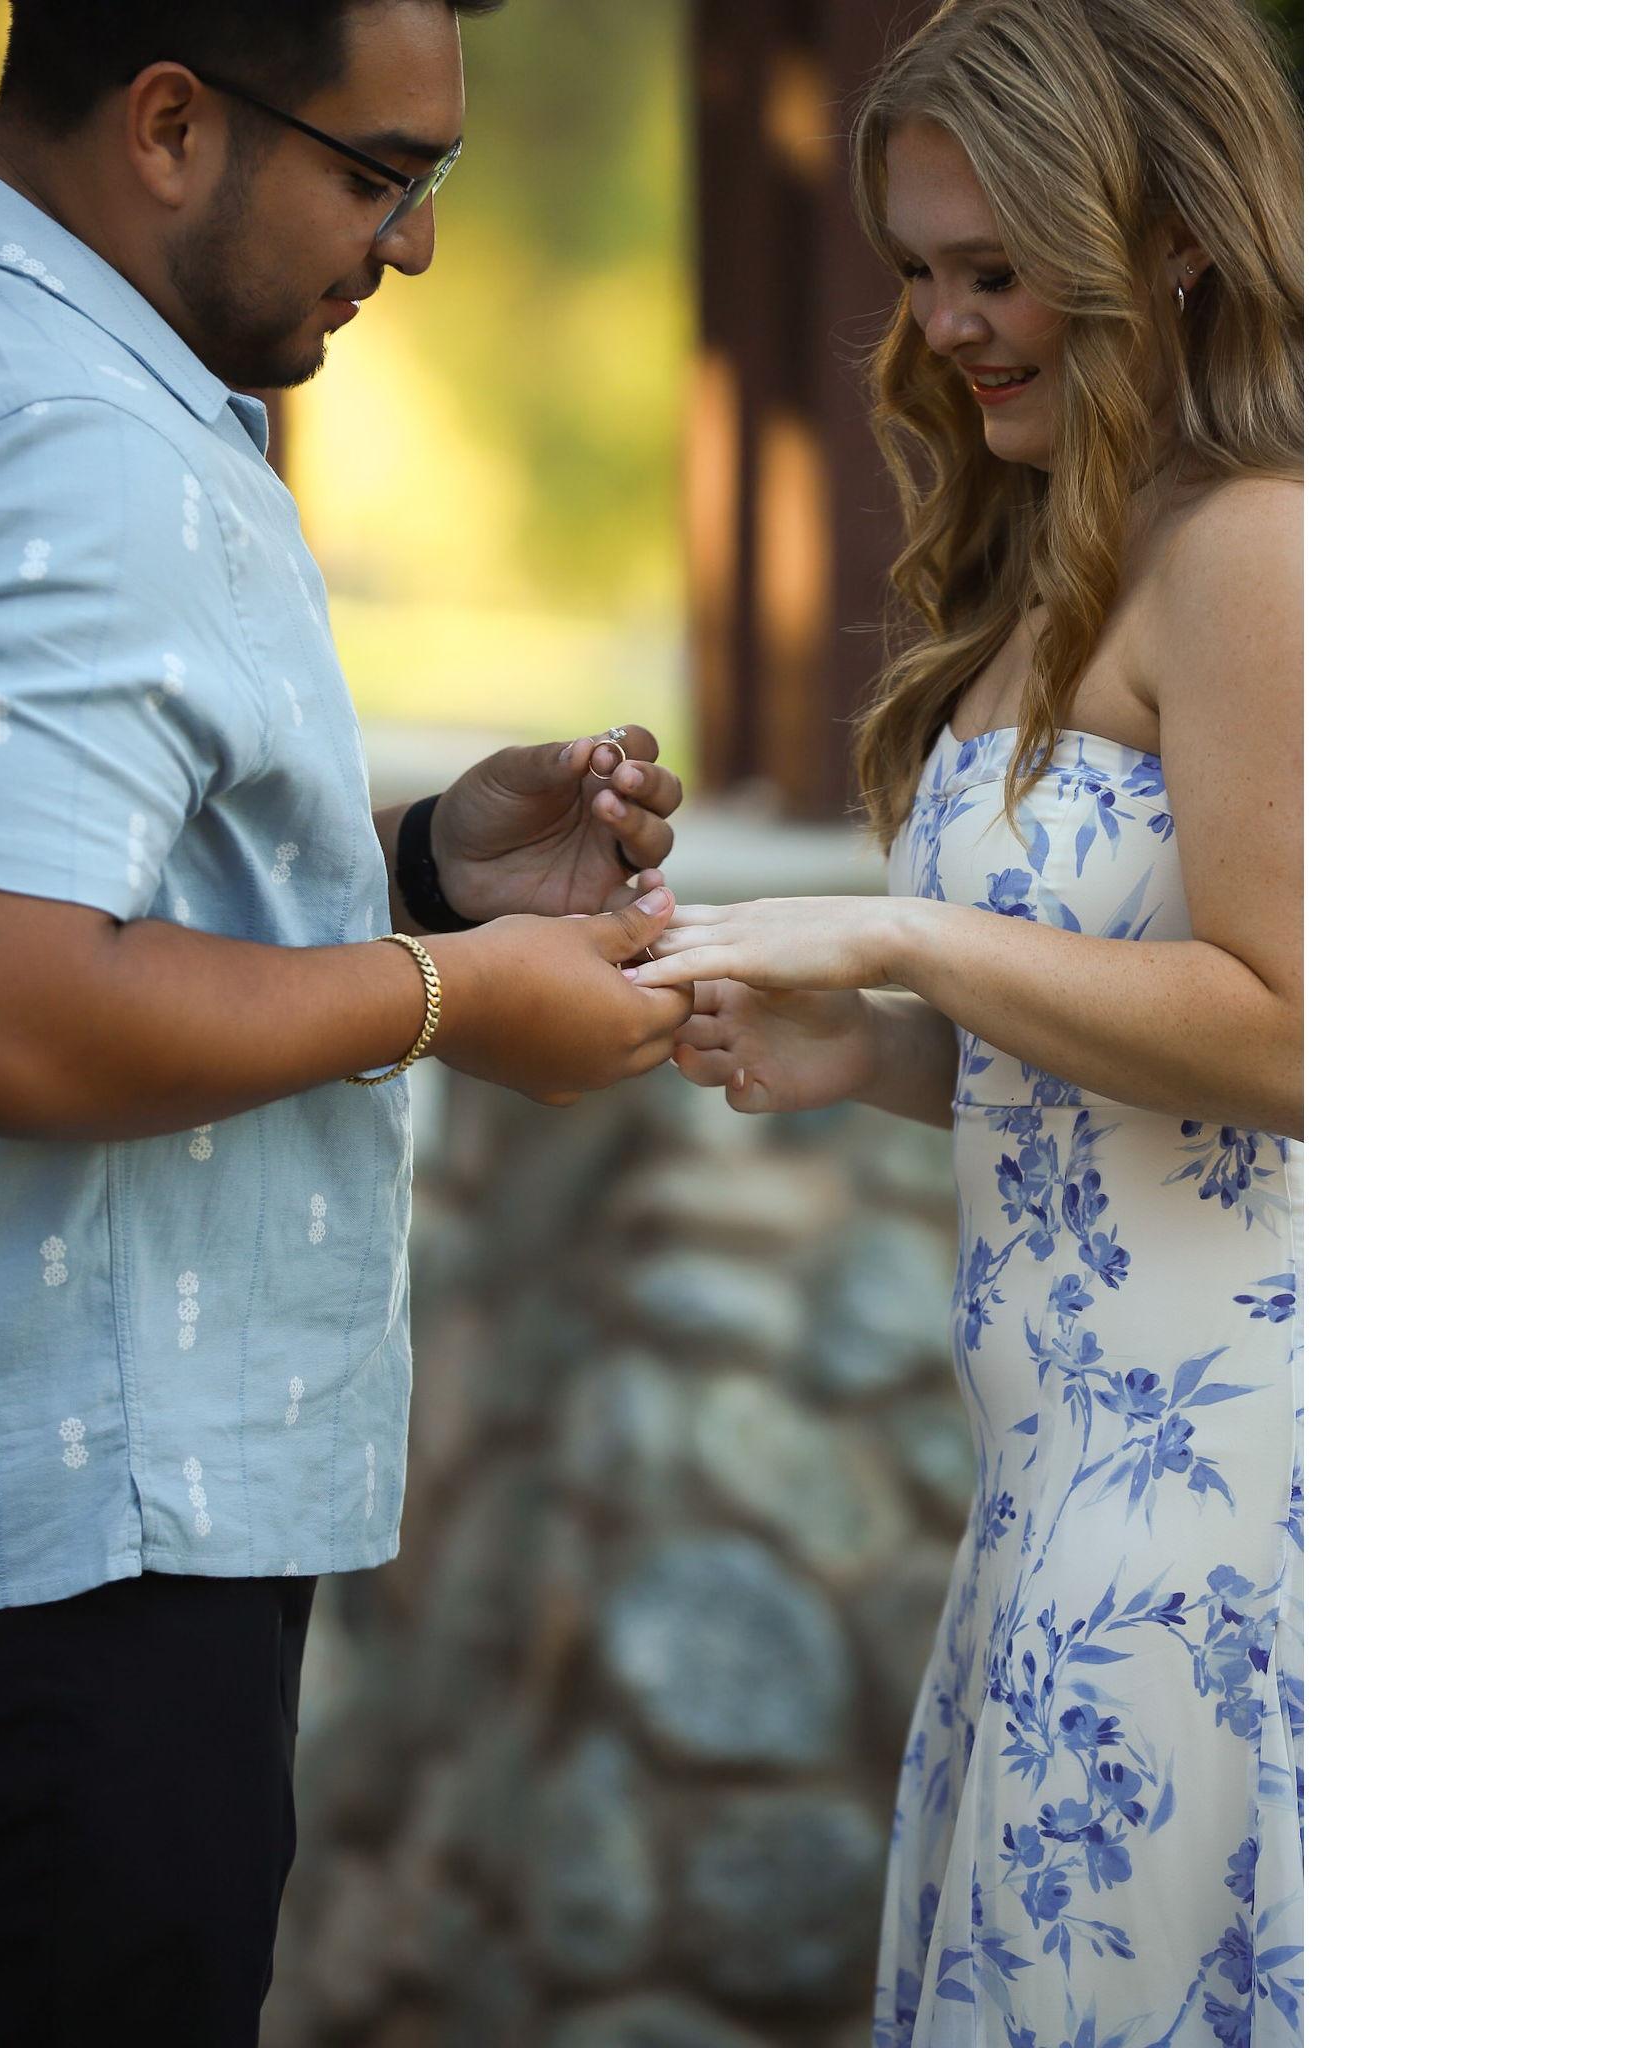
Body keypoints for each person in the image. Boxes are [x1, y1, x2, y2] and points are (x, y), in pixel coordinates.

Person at [0, 2, 693, 2040]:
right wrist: (451, 996)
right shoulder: (83, 439)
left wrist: (427, 864)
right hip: (67, 1579)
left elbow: (38, 881)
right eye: (379, 174)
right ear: (170, 123)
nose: (416, 244)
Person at [638, 1, 1303, 2041]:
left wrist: (904, 939)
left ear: (1167, 241)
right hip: (1053, 1490)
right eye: (918, 271)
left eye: (994, 268)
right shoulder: (1064, 553)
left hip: (1225, 1507)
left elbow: (1297, 1036)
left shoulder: (1256, 547)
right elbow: (1118, 1054)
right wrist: (865, 1049)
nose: (943, 327)